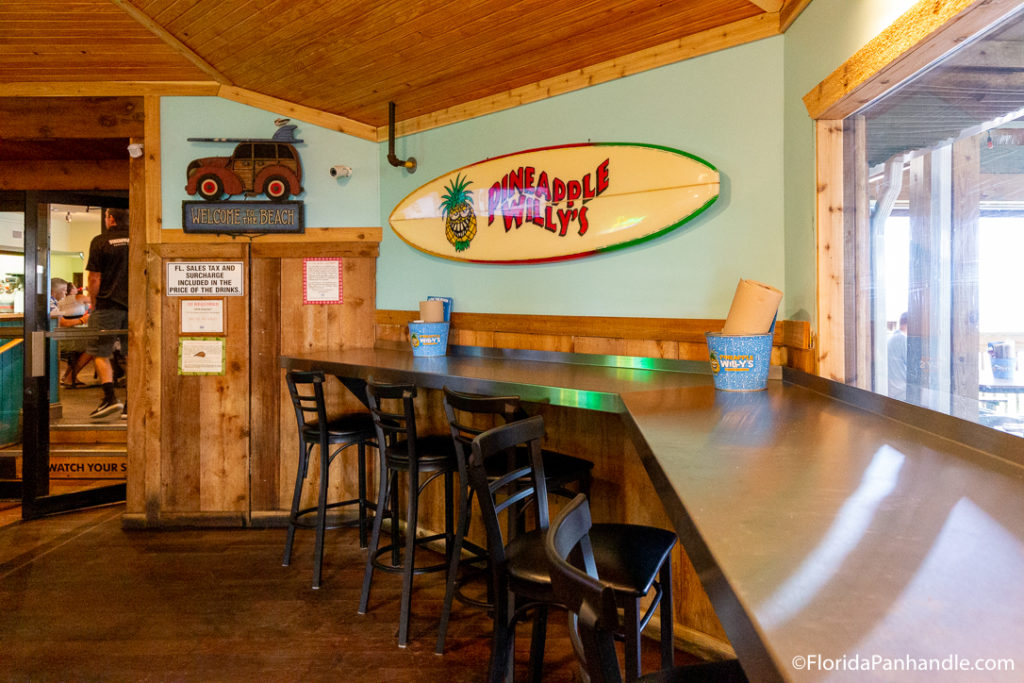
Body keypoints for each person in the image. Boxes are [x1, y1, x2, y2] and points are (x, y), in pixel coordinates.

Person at [85, 208, 130, 420]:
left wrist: (93, 302)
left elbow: (95, 278)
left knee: (101, 353)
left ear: (110, 219)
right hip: (135, 307)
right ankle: (132, 403)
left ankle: (110, 398)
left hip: (107, 305)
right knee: (134, 355)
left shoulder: (100, 241)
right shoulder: (138, 238)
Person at [887, 312, 908, 401]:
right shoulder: (902, 339)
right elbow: (911, 364)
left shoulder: (891, 338)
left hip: (892, 388)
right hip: (901, 389)